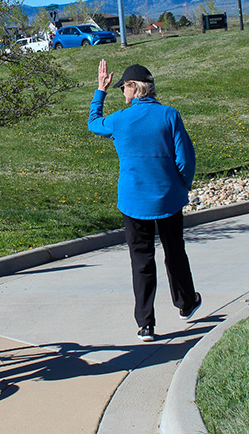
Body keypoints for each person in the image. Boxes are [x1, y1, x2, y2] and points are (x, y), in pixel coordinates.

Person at [87, 60, 201, 342]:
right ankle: (186, 303)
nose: (121, 94)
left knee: (141, 261)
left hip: (133, 201)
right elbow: (185, 159)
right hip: (168, 199)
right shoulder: (169, 116)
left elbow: (93, 124)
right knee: (175, 253)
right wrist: (181, 186)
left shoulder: (120, 120)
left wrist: (99, 92)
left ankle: (145, 324)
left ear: (131, 87)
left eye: (122, 88)